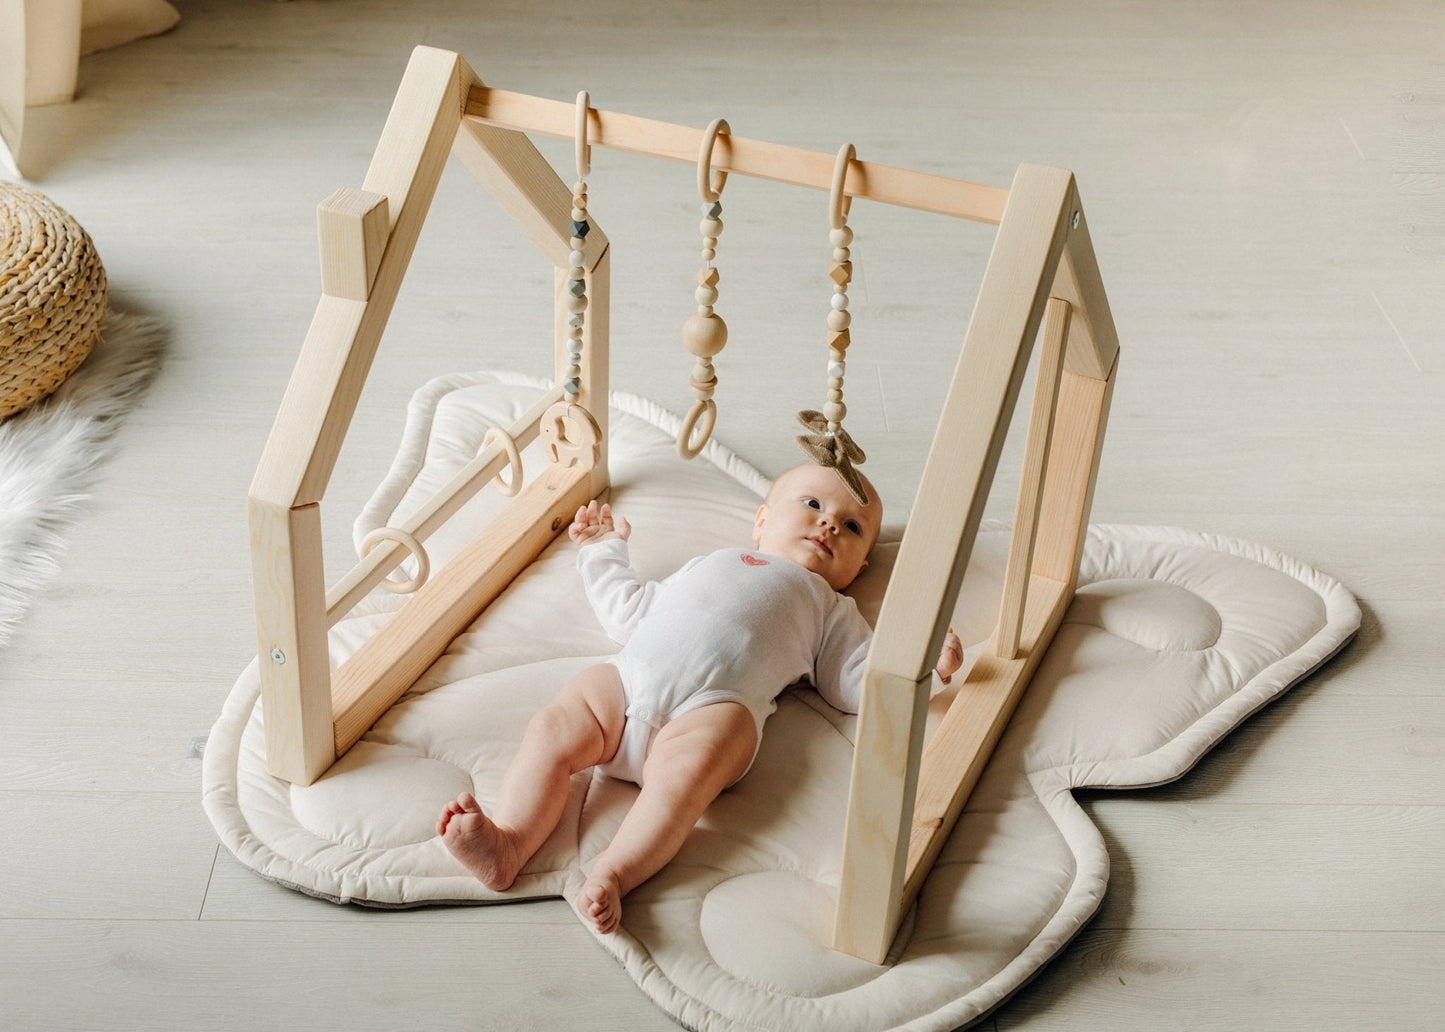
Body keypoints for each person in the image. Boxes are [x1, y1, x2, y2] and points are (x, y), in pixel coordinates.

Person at [437, 462, 965, 934]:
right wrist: (601, 551)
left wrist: (919, 664)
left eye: (853, 527)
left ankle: (614, 873)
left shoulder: (829, 605)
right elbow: (628, 610)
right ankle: (508, 844)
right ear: (762, 520)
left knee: (686, 781)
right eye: (812, 504)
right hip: (628, 683)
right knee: (552, 728)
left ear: (859, 570)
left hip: (712, 710)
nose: (829, 523)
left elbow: (852, 681)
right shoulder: (713, 560)